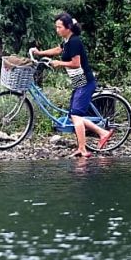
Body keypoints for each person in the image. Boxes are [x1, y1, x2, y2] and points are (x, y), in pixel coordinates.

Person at [30, 12, 114, 158]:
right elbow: (58, 50)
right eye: (56, 27)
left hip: (85, 82)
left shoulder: (75, 41)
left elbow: (76, 63)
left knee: (76, 115)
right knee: (72, 116)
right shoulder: (67, 40)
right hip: (78, 82)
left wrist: (59, 63)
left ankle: (82, 149)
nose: (57, 30)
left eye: (59, 27)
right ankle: (103, 133)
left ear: (68, 27)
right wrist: (39, 53)